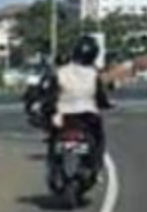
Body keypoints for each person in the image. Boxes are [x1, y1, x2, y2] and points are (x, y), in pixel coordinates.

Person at [44, 35, 113, 164]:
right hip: (87, 114)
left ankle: (54, 163)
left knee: (53, 136)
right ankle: (95, 163)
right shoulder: (94, 74)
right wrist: (105, 104)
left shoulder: (61, 72)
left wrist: (50, 108)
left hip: (63, 114)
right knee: (98, 138)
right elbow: (100, 96)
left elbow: (51, 94)